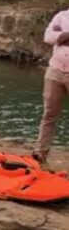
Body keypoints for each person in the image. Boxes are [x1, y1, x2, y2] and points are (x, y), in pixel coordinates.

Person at [34, 9, 69, 163]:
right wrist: (63, 36)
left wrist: (61, 36)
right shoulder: (62, 16)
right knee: (49, 114)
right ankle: (40, 151)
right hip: (55, 71)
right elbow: (48, 37)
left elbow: (56, 38)